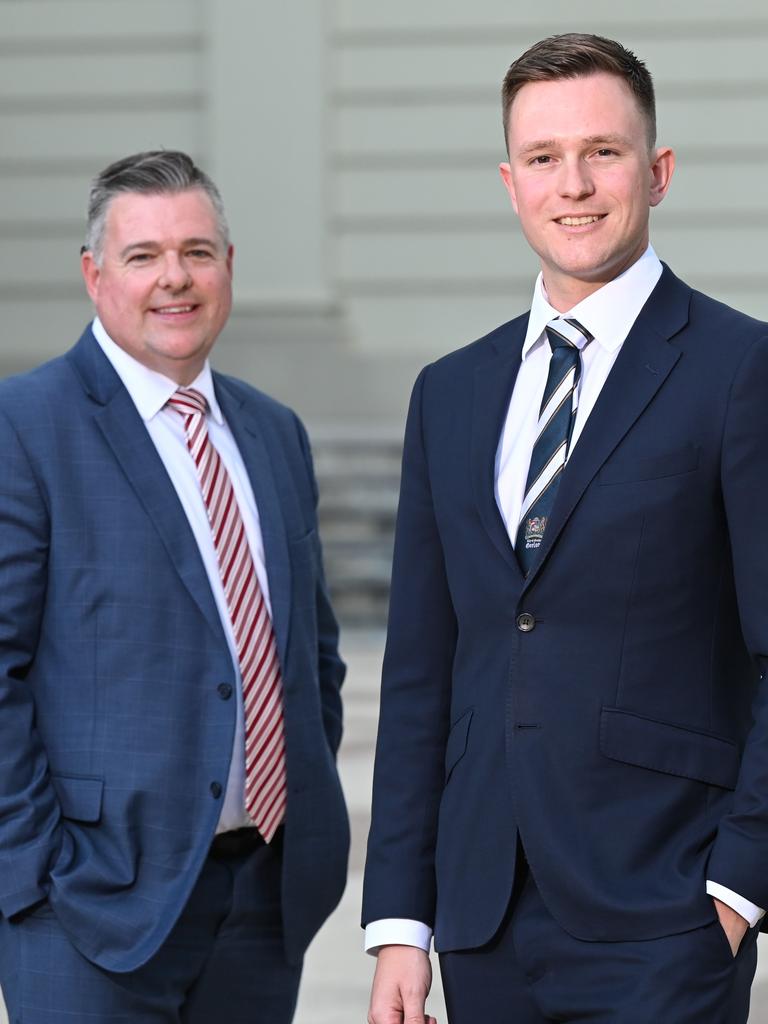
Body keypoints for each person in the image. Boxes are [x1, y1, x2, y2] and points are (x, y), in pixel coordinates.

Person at [363, 32, 768, 1024]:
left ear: (658, 171)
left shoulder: (739, 370)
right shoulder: (450, 393)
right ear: (510, 182)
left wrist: (736, 891)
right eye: (544, 158)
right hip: (483, 921)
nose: (574, 184)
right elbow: (423, 671)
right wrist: (399, 925)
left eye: (605, 152)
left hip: (664, 917)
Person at [0, 149, 348, 1023]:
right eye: (144, 255)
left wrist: (293, 801)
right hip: (89, 912)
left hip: (261, 903)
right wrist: (35, 873)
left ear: (228, 267)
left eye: (197, 251)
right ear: (94, 274)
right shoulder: (26, 427)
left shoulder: (273, 432)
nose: (175, 279)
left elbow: (311, 655)